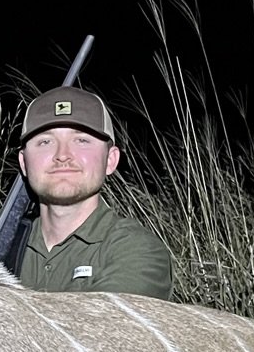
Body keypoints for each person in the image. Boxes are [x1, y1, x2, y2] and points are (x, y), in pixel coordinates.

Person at [14, 87, 173, 298]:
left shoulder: (139, 251)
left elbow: (98, 328)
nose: (62, 155)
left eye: (82, 140)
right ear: (24, 163)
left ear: (110, 160)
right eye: (45, 142)